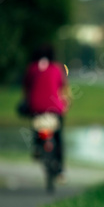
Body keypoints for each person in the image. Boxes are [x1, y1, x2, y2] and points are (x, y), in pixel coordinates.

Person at [23, 44, 69, 177]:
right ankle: (60, 170)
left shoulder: (31, 69)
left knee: (35, 127)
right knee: (59, 136)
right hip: (55, 109)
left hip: (36, 108)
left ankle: (37, 146)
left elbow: (26, 89)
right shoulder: (57, 68)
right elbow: (63, 89)